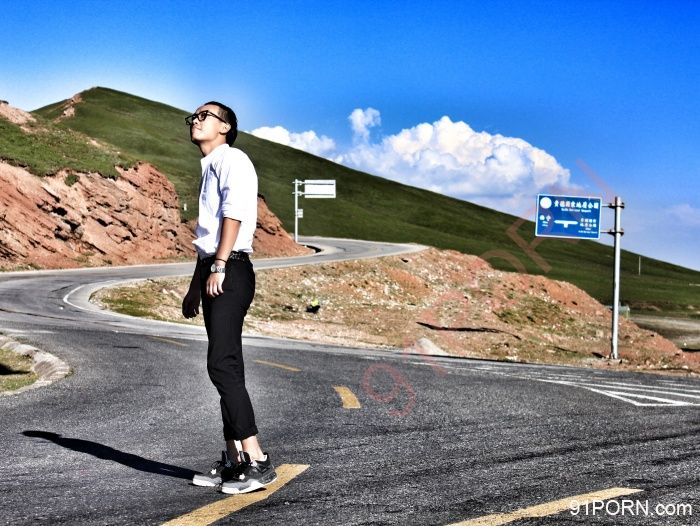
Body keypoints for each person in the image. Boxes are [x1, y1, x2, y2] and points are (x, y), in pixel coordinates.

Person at [181, 101, 276, 494]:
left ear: (225, 127)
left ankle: (257, 460)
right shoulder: (210, 166)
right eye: (194, 116)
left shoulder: (232, 159)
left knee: (221, 364)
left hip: (231, 268)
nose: (196, 120)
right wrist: (195, 285)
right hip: (215, 267)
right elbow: (207, 236)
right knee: (227, 367)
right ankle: (235, 461)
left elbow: (233, 216)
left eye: (205, 115)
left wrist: (219, 265)